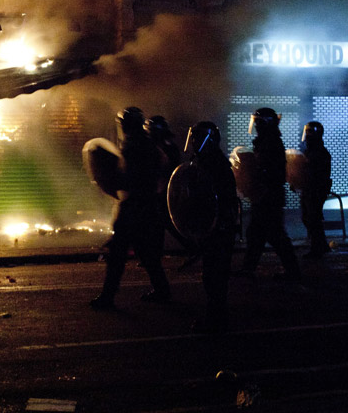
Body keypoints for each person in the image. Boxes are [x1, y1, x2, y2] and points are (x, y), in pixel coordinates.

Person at [91, 106, 170, 309]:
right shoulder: (148, 145)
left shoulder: (134, 147)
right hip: (145, 206)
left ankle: (108, 297)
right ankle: (162, 290)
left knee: (118, 254)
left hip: (134, 207)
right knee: (146, 254)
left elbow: (130, 179)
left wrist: (109, 177)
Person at [178, 121, 238, 334]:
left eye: (197, 137)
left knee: (215, 277)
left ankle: (216, 322)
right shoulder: (204, 161)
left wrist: (216, 227)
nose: (193, 141)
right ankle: (216, 319)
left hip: (219, 229)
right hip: (212, 228)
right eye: (192, 137)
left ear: (209, 139)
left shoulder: (216, 165)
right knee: (212, 276)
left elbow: (219, 201)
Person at [237, 107, 301, 281]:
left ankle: (293, 272)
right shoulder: (267, 141)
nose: (255, 126)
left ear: (265, 123)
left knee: (274, 235)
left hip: (269, 197)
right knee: (257, 234)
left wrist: (255, 175)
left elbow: (272, 172)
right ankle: (249, 268)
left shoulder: (271, 143)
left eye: (258, 122)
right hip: (266, 195)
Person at [147, 115, 198, 266]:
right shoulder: (163, 146)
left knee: (167, 223)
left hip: (165, 190)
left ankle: (192, 248)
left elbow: (168, 169)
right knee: (159, 224)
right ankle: (154, 255)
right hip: (161, 189)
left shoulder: (166, 148)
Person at [297, 121, 332, 260]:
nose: (306, 136)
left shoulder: (319, 152)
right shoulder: (312, 151)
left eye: (309, 132)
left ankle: (317, 248)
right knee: (310, 218)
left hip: (315, 190)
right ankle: (321, 244)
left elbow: (315, 173)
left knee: (313, 219)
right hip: (310, 189)